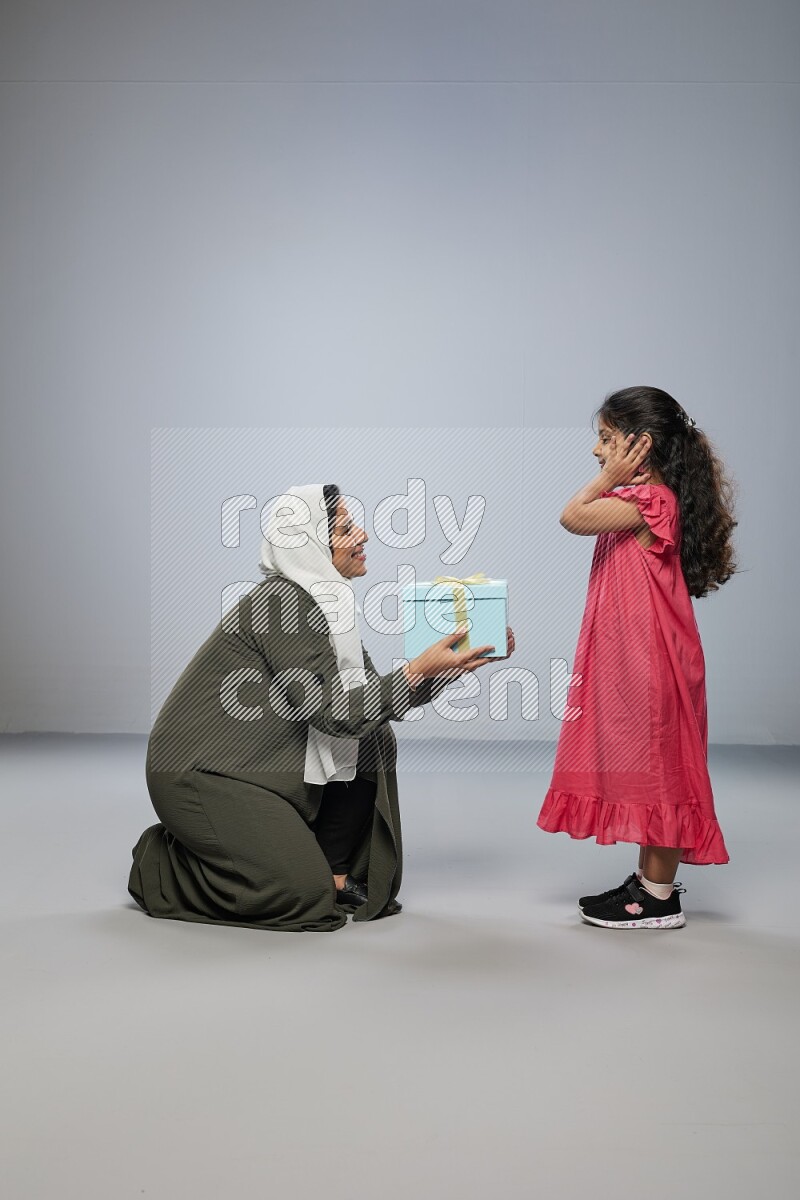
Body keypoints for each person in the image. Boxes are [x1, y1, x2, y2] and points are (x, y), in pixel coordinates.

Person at [129, 482, 514, 932]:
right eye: (347, 528)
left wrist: (450, 666)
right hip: (202, 775)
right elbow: (335, 713)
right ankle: (161, 862)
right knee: (300, 898)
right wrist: (414, 671)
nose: (364, 536)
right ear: (310, 542)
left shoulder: (329, 606)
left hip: (257, 769)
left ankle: (333, 868)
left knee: (373, 736)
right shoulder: (280, 602)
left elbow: (365, 702)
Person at [537, 387, 736, 929]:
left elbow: (573, 516)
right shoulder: (640, 499)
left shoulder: (651, 501)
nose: (598, 452)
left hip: (654, 664)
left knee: (663, 769)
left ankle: (659, 898)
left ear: (639, 444)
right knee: (650, 767)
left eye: (606, 440)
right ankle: (649, 882)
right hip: (639, 658)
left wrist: (608, 478)